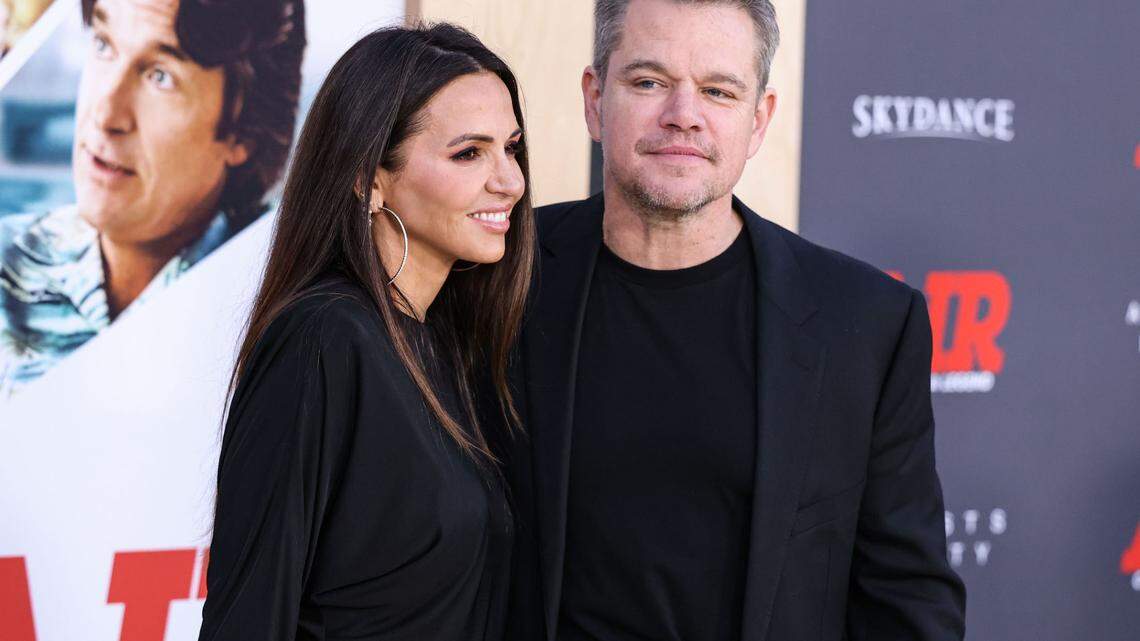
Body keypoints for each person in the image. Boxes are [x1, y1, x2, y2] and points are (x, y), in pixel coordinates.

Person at [505, 1, 967, 640]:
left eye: (718, 91)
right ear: (593, 98)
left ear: (758, 120)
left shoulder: (865, 324)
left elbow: (907, 600)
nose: (683, 115)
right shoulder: (497, 277)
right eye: (648, 82)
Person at [199, 23, 535, 641]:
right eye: (469, 153)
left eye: (510, 148)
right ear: (368, 178)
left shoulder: (448, 348)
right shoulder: (322, 339)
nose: (509, 180)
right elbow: (249, 613)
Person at [0, 0, 305, 396]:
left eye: (160, 76)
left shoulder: (286, 300)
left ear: (243, 131)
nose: (106, 115)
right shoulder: (10, 260)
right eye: (104, 45)